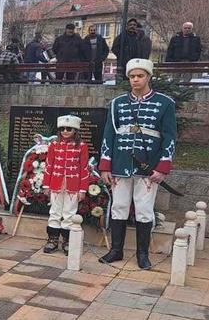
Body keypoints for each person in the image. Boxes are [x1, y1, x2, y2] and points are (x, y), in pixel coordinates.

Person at [97, 58, 176, 270]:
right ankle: (116, 250)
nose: (135, 80)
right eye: (132, 76)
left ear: (148, 77)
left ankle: (142, 254)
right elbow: (109, 135)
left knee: (144, 209)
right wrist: (105, 165)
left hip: (148, 165)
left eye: (140, 76)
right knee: (119, 206)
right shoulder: (117, 104)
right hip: (121, 163)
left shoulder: (165, 103)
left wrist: (162, 167)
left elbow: (169, 137)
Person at [42, 115, 89, 255]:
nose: (65, 131)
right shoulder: (54, 145)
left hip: (73, 185)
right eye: (62, 129)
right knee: (54, 212)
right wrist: (46, 185)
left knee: (69, 213)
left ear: (75, 130)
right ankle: (52, 240)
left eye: (69, 128)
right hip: (55, 184)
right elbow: (48, 165)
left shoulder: (82, 146)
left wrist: (83, 189)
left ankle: (68, 241)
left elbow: (84, 168)